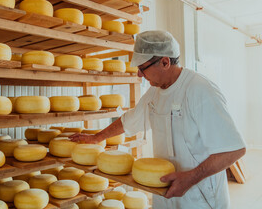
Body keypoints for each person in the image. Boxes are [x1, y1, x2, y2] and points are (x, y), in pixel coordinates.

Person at [69, 30, 246, 209]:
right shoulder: (154, 93)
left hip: (199, 196)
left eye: (142, 68)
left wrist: (190, 178)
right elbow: (129, 120)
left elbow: (234, 149)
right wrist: (96, 138)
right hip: (165, 192)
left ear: (164, 62)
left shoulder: (199, 90)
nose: (139, 75)